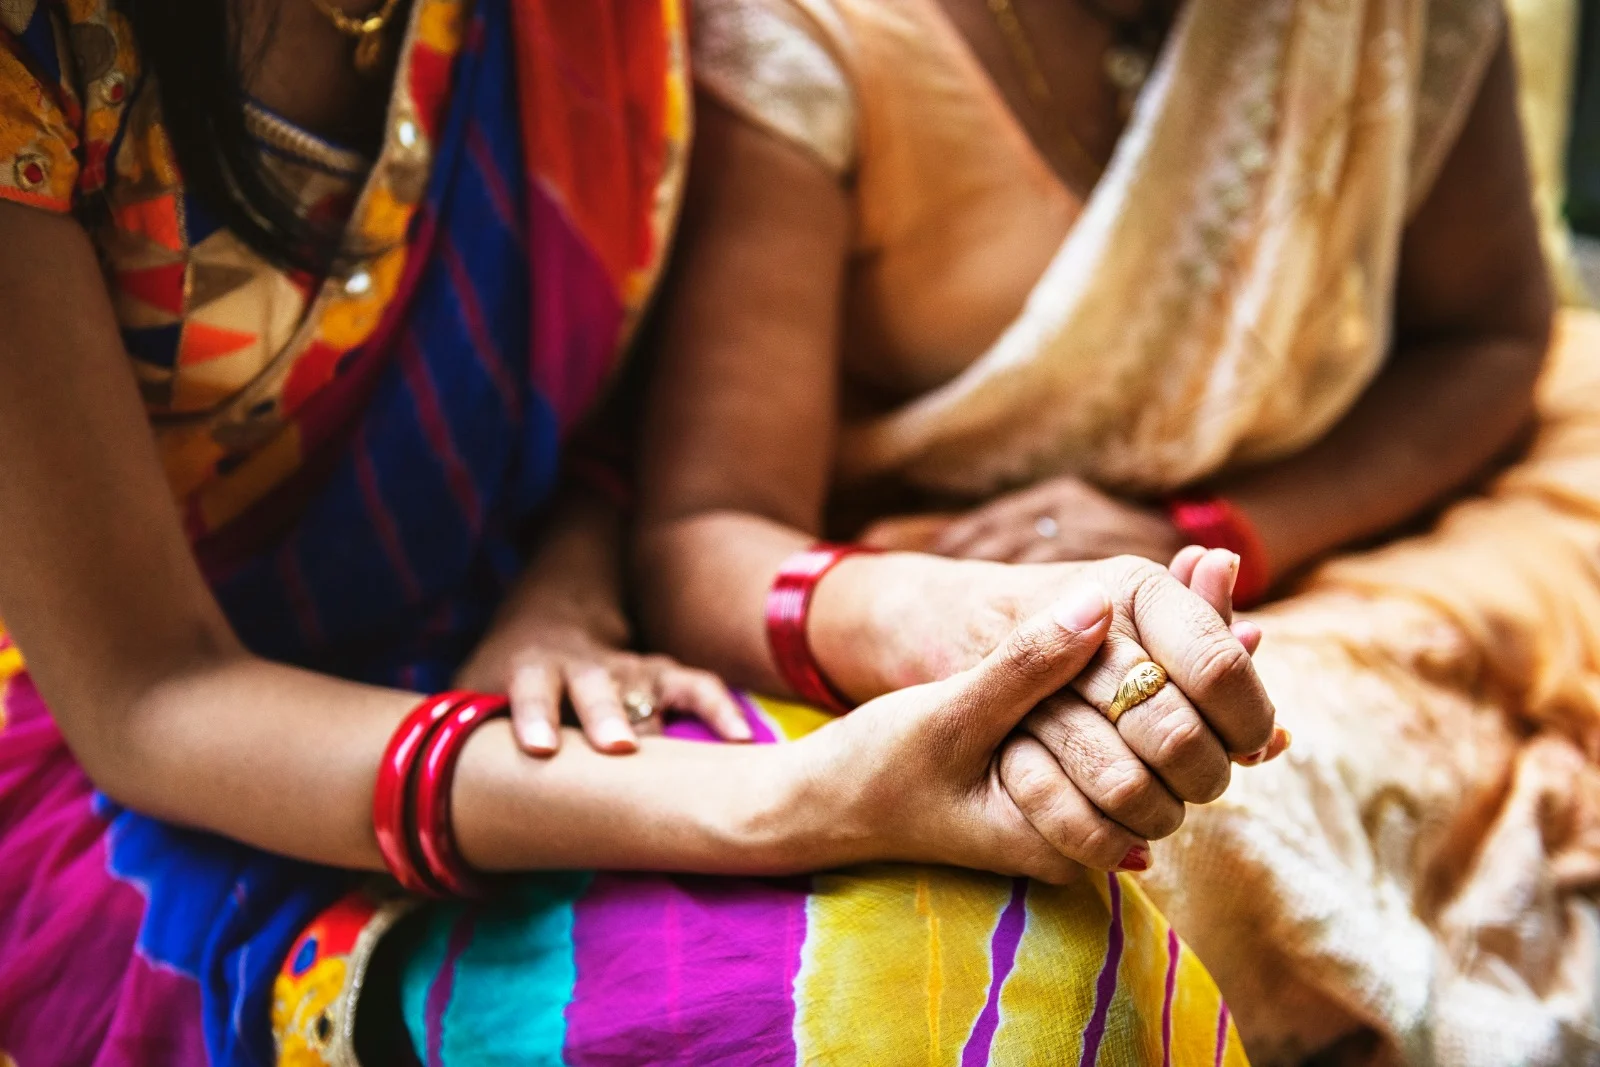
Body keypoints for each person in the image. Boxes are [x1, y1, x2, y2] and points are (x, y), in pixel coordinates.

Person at [0, 0, 1274, 1063]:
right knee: (906, 1013)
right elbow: (154, 695)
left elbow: (631, 405)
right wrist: (792, 800)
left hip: (541, 659)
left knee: (1047, 957)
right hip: (164, 786)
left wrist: (565, 603)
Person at [634, 0, 1600, 1061]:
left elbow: (1490, 336)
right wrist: (966, 620)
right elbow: (708, 527)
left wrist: (1208, 529)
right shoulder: (804, 32)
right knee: (1101, 827)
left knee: (1219, 798)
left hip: (1369, 518)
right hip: (920, 560)